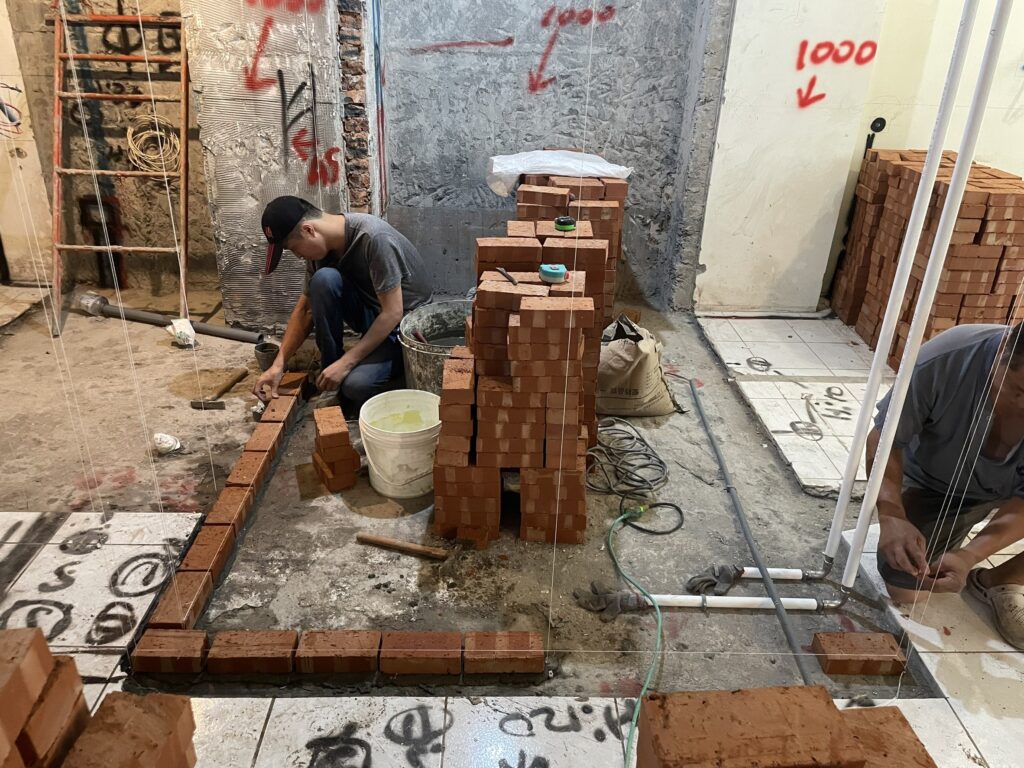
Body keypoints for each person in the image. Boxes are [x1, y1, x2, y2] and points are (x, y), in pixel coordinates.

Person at [870, 322, 1024, 649]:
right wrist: (891, 513)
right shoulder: (947, 359)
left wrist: (970, 555)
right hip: (938, 483)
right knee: (907, 588)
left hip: (1011, 487)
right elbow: (884, 440)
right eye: (1018, 391)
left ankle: (1000, 579)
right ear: (1002, 350)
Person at [252, 196, 432, 417]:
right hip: (374, 315)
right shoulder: (320, 251)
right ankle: (331, 378)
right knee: (323, 280)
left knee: (355, 386)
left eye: (293, 249)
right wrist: (278, 364)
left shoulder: (374, 238)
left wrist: (347, 364)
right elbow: (305, 310)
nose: (298, 256)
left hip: (405, 327)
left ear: (309, 230)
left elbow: (393, 312)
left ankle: (397, 371)